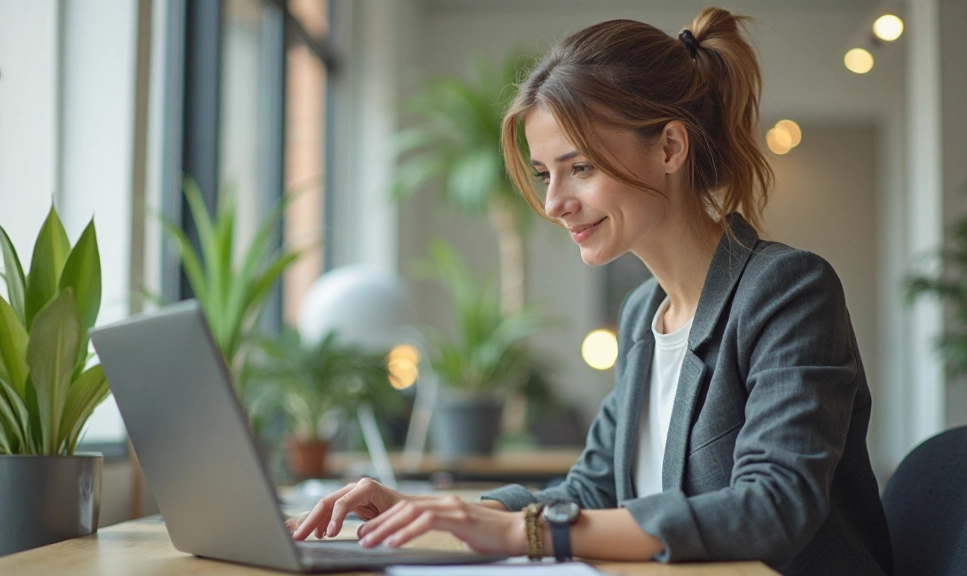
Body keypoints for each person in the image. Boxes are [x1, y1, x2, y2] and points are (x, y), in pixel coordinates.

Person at [291, 7, 894, 575]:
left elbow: (773, 509)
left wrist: (525, 535)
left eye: (580, 168)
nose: (555, 203)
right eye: (546, 174)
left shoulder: (786, 291)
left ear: (670, 148)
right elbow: (592, 489)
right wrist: (436, 514)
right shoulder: (641, 316)